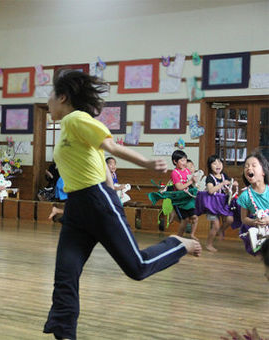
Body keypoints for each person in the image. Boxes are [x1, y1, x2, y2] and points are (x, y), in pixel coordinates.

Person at [42, 70, 201, 340]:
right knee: (65, 275)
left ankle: (177, 243)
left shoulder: (76, 118)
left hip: (97, 202)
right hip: (78, 207)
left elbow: (111, 147)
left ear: (63, 97)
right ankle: (64, 334)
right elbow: (100, 158)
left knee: (137, 267)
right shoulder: (68, 129)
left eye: (50, 96)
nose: (47, 102)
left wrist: (148, 163)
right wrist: (108, 185)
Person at [195, 155, 239, 252]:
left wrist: (233, 184)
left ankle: (221, 230)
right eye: (214, 163)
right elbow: (210, 191)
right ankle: (209, 244)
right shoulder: (209, 178)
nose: (217, 165)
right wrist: (222, 184)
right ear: (210, 166)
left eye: (219, 162)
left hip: (223, 204)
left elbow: (228, 187)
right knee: (215, 225)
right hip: (212, 205)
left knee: (230, 219)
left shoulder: (224, 176)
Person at [238, 152, 269, 257]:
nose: (249, 168)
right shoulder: (245, 196)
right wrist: (254, 222)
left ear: (263, 171)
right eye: (246, 166)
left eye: (253, 165)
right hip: (262, 234)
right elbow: (244, 219)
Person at [170, 150, 199, 240]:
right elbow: (179, 187)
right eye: (181, 160)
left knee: (195, 218)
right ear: (175, 162)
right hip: (179, 200)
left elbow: (192, 183)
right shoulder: (174, 173)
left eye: (185, 160)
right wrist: (190, 181)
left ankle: (192, 234)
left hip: (188, 198)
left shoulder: (187, 170)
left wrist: (195, 181)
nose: (184, 162)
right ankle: (179, 238)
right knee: (185, 220)